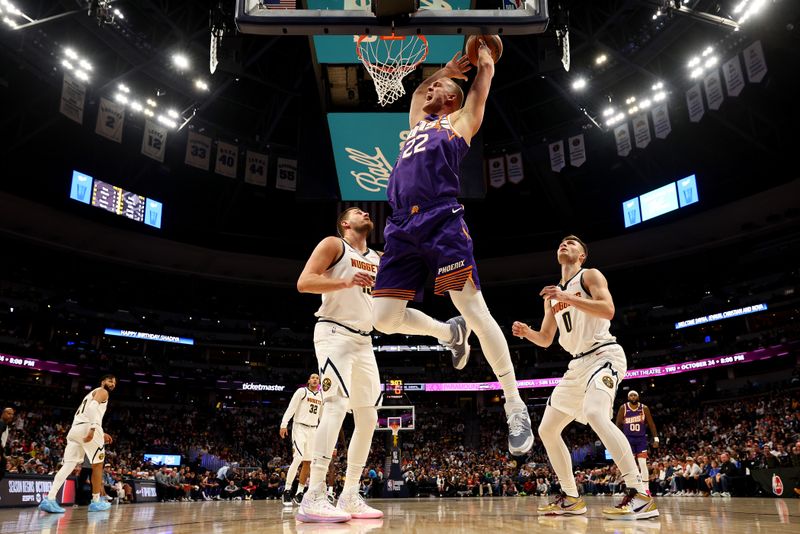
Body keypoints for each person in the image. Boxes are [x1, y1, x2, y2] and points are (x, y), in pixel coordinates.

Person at [371, 42, 533, 456]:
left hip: (441, 222)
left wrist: (485, 65)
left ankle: (514, 403)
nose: (426, 91)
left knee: (475, 310)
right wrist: (441, 69)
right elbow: (413, 92)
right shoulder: (416, 123)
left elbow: (479, 92)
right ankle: (447, 333)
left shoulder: (459, 122)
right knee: (385, 319)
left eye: (435, 87)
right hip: (401, 228)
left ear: (451, 97)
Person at [512, 236, 658, 519]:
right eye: (561, 243)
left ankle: (640, 494)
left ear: (582, 256)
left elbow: (608, 309)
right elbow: (545, 339)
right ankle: (571, 497)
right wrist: (527, 332)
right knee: (547, 429)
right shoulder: (552, 296)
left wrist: (567, 297)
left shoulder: (589, 275)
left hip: (604, 354)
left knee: (595, 413)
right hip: (576, 366)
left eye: (572, 243)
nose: (564, 245)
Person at [295, 207, 384, 522]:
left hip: (364, 340)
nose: (364, 212)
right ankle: (314, 494)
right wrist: (345, 281)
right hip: (334, 332)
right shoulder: (334, 245)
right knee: (334, 405)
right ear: (346, 223)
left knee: (369, 417)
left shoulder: (379, 257)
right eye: (356, 211)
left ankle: (349, 495)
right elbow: (304, 283)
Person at [39, 374, 117, 513]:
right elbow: (93, 407)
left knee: (69, 465)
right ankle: (96, 501)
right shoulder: (103, 391)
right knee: (98, 464)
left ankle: (49, 499)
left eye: (114, 383)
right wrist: (93, 429)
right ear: (103, 381)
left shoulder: (89, 394)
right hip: (88, 427)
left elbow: (89, 411)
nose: (112, 384)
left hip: (75, 429)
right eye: (110, 381)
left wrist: (99, 430)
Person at [279, 373, 323, 506]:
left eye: (317, 378)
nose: (315, 379)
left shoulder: (322, 396)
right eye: (313, 377)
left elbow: (322, 416)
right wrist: (284, 424)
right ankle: (287, 490)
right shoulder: (302, 391)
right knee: (298, 458)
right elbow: (291, 408)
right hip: (300, 427)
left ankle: (299, 492)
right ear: (308, 380)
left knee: (307, 462)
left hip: (313, 430)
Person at [616, 390, 659, 494]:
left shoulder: (644, 408)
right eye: (631, 395)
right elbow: (617, 425)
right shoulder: (623, 408)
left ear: (638, 397)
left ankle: (646, 488)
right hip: (628, 440)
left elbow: (651, 424)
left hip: (641, 439)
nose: (633, 397)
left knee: (643, 464)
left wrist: (656, 438)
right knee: (630, 465)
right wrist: (617, 440)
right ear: (628, 397)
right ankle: (632, 487)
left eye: (635, 395)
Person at [0, 407, 14, 481]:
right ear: (3, 414)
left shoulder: (5, 425)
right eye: (9, 413)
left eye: (12, 414)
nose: (11, 416)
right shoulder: (1, 423)